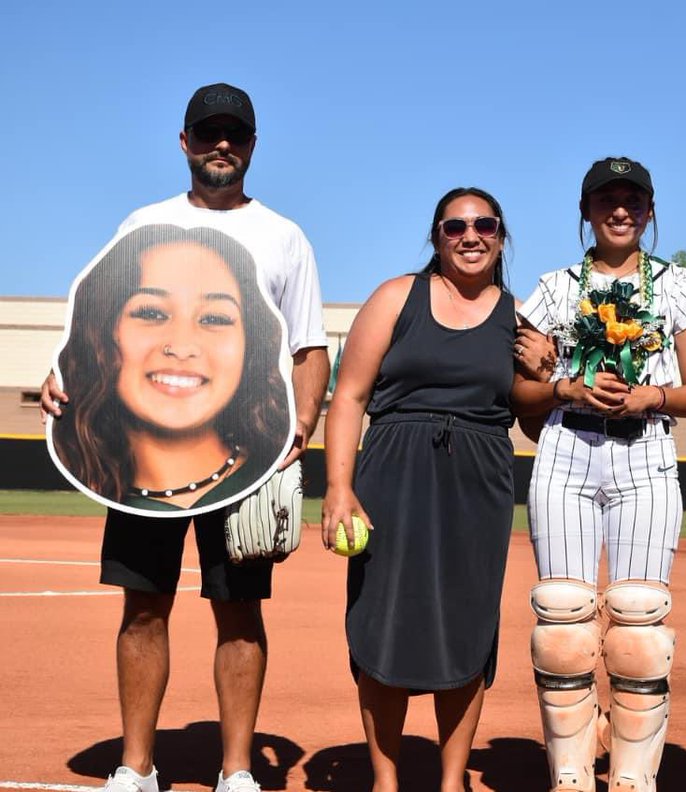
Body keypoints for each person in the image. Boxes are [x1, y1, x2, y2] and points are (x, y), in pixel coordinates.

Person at [40, 83, 330, 792]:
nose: (220, 145)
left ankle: (237, 770)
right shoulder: (143, 221)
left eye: (234, 133)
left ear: (253, 146)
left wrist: (302, 423)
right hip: (139, 460)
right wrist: (59, 368)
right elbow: (101, 321)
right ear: (184, 142)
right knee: (143, 605)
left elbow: (310, 347)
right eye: (208, 133)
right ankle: (135, 765)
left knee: (239, 609)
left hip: (248, 457)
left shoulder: (284, 236)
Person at [511, 157, 686, 792]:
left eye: (632, 200)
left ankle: (631, 777)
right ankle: (569, 776)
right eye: (606, 200)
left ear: (649, 212)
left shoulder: (677, 287)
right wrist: (562, 383)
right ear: (586, 210)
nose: (619, 211)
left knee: (638, 625)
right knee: (564, 624)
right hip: (567, 448)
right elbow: (521, 393)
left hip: (645, 451)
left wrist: (651, 397)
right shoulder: (553, 288)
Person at [322, 187, 518, 792]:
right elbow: (350, 395)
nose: (470, 235)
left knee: (468, 624)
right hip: (394, 472)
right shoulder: (396, 296)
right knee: (385, 621)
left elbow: (534, 416)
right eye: (454, 225)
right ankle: (386, 779)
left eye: (484, 224)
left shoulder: (519, 316)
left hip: (480, 482)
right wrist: (338, 486)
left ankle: (450, 780)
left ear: (500, 236)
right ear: (436, 237)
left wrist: (552, 369)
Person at [52, 225, 291, 510]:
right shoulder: (93, 474)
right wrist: (58, 378)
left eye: (215, 318)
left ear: (250, 343)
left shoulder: (259, 477)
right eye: (151, 312)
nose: (181, 345)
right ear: (105, 331)